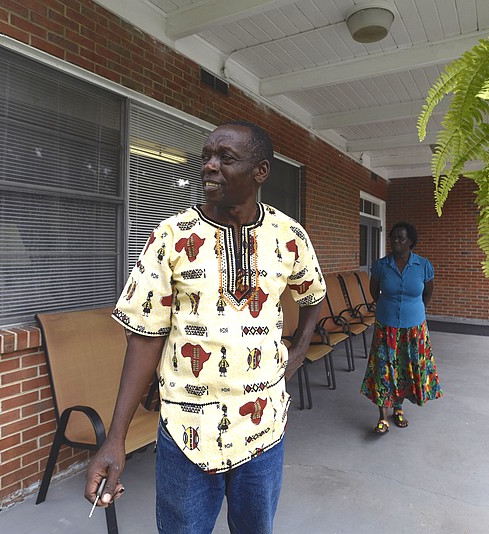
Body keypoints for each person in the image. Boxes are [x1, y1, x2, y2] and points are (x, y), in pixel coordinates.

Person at [85, 120, 326, 533]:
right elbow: (144, 337)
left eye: (225, 159)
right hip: (186, 430)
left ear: (260, 172)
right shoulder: (171, 236)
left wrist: (300, 348)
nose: (209, 167)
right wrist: (115, 438)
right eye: (206, 158)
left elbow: (313, 294)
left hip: (263, 425)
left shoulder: (289, 236)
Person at [360, 221, 443, 433]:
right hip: (386, 326)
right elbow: (374, 291)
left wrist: (415, 309)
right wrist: (389, 306)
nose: (396, 241)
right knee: (383, 369)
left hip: (414, 327)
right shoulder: (381, 265)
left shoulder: (423, 265)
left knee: (405, 368)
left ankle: (399, 408)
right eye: (393, 237)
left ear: (410, 241)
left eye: (401, 238)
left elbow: (428, 293)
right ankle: (382, 417)